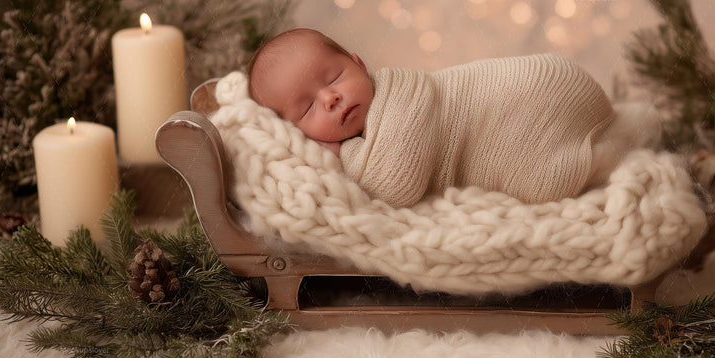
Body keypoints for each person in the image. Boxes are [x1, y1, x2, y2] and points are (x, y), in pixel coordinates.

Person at [247, 28, 659, 207]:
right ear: (293, 132)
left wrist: (342, 157)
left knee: (548, 180)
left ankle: (617, 146)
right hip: (552, 87)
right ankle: (622, 130)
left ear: (360, 64)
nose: (331, 98)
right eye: (308, 107)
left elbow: (396, 185)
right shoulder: (372, 122)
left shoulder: (402, 99)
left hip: (538, 93)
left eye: (334, 77)